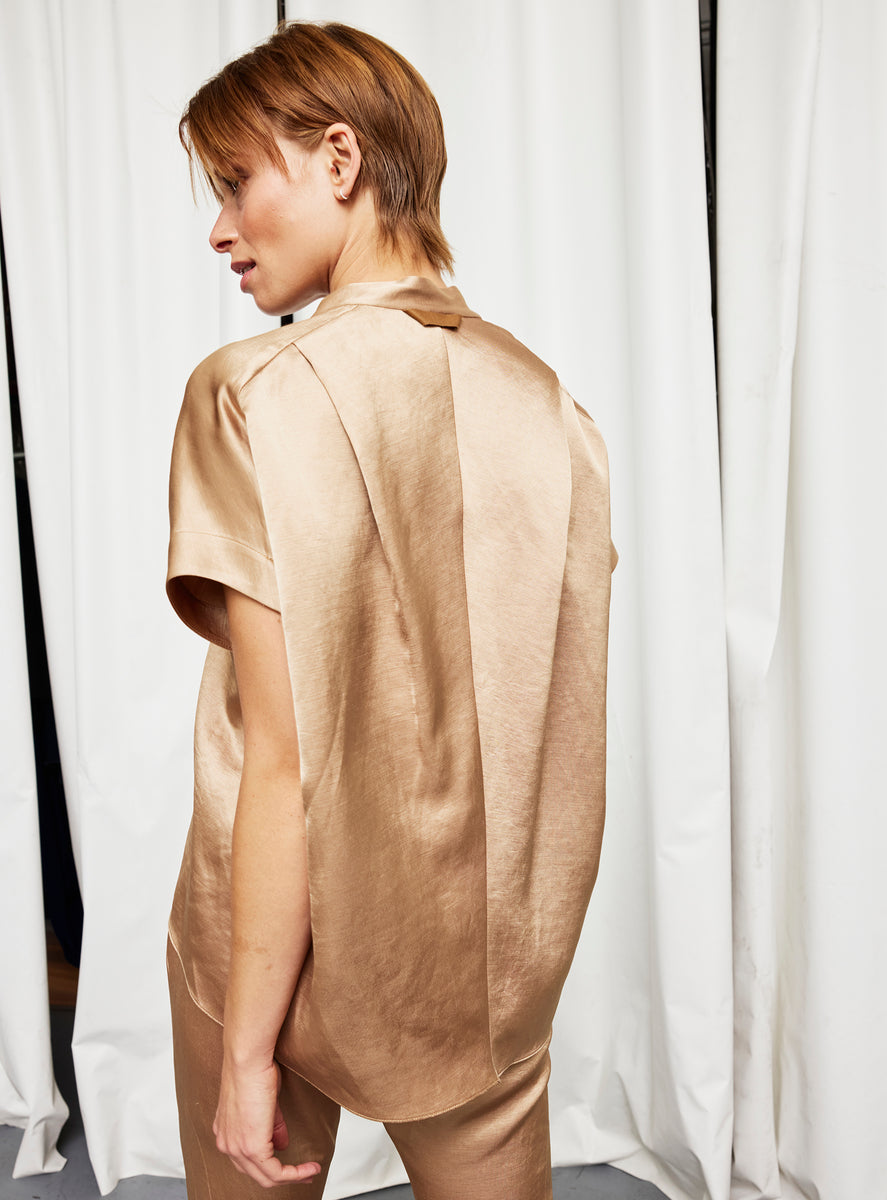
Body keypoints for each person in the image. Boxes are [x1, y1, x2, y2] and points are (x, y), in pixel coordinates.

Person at [166, 20, 615, 1200]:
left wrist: (249, 1053)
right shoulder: (550, 406)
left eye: (234, 181)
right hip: (481, 967)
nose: (217, 228)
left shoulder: (253, 391)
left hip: (268, 944)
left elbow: (285, 758)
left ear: (337, 159)